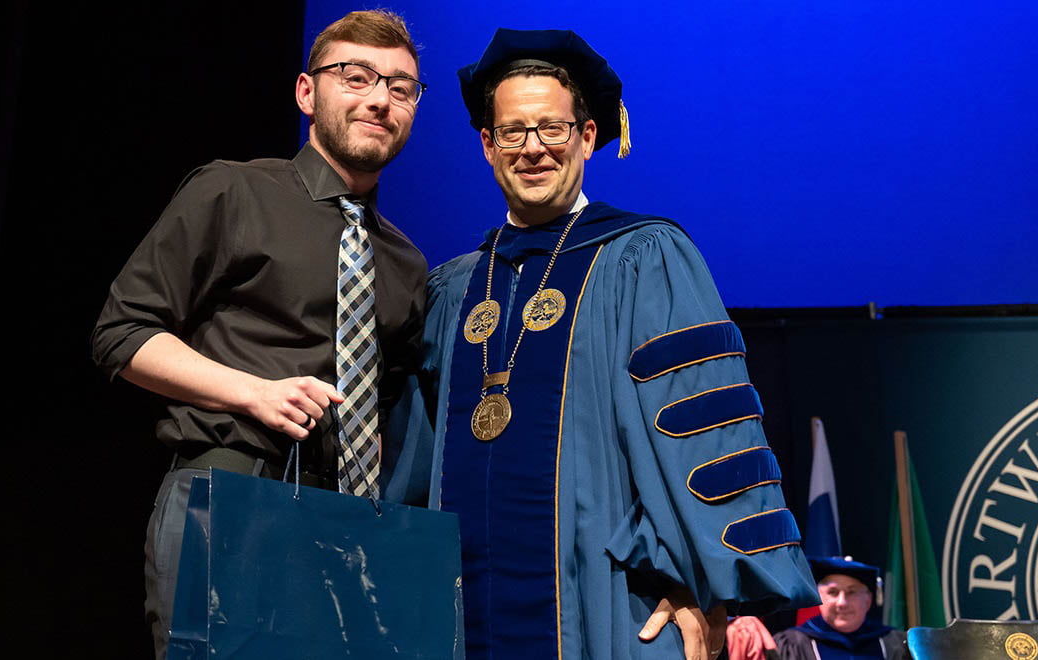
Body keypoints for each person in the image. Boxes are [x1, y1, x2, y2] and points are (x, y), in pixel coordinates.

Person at [383, 28, 818, 660]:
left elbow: (709, 431)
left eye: (552, 129)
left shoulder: (645, 259)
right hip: (458, 616)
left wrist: (708, 591)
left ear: (587, 136)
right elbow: (413, 469)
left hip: (611, 602)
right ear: (487, 145)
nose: (533, 149)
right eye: (513, 131)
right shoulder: (452, 289)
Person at [90, 10, 428, 658]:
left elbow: (394, 404)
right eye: (356, 76)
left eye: (400, 87)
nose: (379, 99)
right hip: (235, 486)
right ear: (307, 91)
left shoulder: (405, 262)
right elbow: (122, 332)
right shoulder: (233, 190)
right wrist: (253, 393)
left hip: (350, 522)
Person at [727, 557, 908, 660]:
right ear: (819, 598)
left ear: (868, 600)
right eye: (833, 592)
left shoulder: (893, 643)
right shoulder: (792, 645)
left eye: (852, 592)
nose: (842, 602)